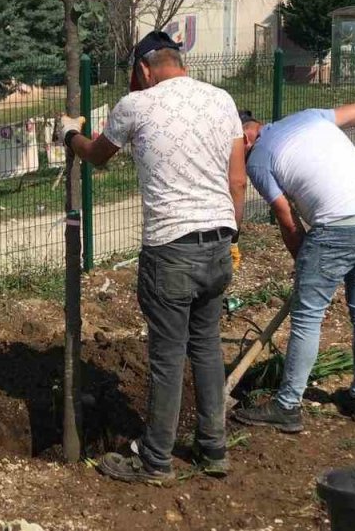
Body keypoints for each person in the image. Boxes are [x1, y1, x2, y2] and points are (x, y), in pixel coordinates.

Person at [59, 31, 247, 485]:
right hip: (219, 243)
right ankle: (213, 448)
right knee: (206, 346)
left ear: (144, 69)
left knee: (167, 357)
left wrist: (69, 134)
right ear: (178, 62)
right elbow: (238, 181)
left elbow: (97, 155)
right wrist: (232, 237)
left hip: (171, 249)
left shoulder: (136, 106)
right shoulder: (222, 100)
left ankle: (155, 460)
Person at [231, 104, 355, 433]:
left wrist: (304, 262)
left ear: (246, 138)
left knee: (307, 316)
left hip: (337, 228)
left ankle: (287, 406)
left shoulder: (258, 159)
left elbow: (287, 218)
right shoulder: (309, 116)